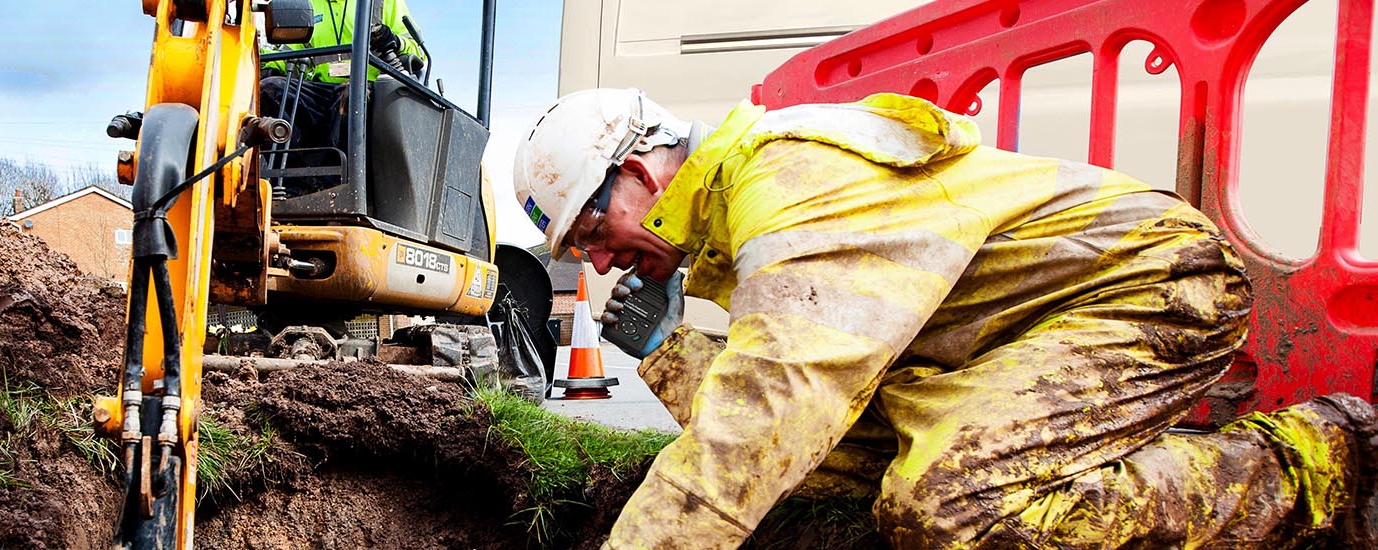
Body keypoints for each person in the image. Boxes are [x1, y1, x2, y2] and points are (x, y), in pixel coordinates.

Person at [511, 88, 1378, 548]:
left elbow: (769, 411)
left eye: (591, 229)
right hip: (1003, 340)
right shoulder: (737, 230)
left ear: (640, 172)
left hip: (1144, 284)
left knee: (952, 504)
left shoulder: (786, 181)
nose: (592, 259)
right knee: (854, 473)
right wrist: (668, 351)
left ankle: (1310, 464)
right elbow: (809, 438)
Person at [258, 0, 427, 196]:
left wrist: (395, 41)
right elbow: (289, 56)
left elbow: (418, 53)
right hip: (322, 92)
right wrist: (256, 57)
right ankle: (288, 187)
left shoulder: (382, 3)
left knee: (351, 95)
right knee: (271, 89)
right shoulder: (308, 5)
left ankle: (334, 192)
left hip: (369, 91)